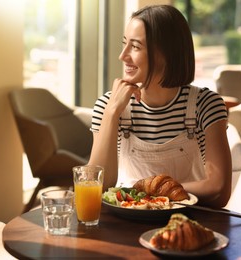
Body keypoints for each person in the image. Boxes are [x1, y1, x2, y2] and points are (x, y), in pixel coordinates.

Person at [88, 5, 232, 208]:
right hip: (127, 224)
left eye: (135, 47)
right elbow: (96, 186)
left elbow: (219, 188)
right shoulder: (108, 105)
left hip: (186, 224)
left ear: (166, 53)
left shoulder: (205, 105)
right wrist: (112, 113)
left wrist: (151, 195)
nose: (123, 55)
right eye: (124, 44)